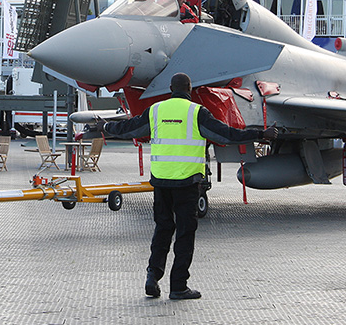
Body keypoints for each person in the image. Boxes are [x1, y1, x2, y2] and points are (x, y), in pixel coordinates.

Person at [97, 73, 277, 300]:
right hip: (187, 183)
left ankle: (152, 277)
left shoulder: (156, 110)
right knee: (184, 233)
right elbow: (227, 134)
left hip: (161, 181)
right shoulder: (197, 112)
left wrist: (107, 127)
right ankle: (178, 287)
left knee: (162, 229)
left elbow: (130, 129)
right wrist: (261, 134)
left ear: (171, 88)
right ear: (189, 90)